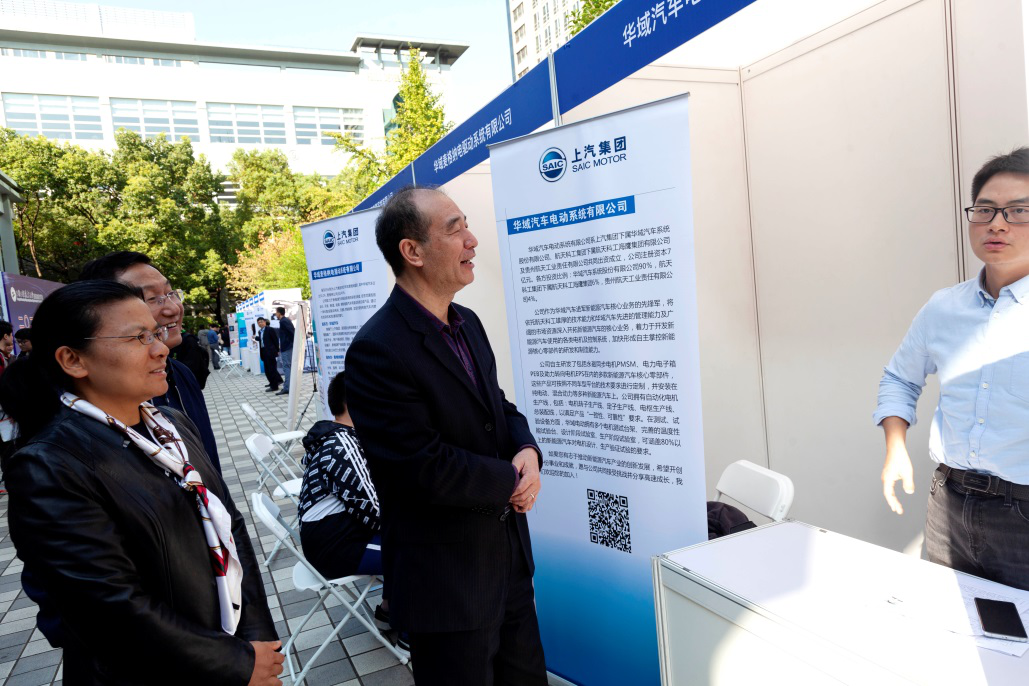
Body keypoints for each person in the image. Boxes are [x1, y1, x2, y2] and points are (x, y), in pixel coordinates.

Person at [0, 280, 283, 684]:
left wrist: (257, 640)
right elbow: (109, 605)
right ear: (73, 360)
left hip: (231, 646)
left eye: (155, 333)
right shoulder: (48, 466)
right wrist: (236, 663)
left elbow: (230, 527)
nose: (160, 348)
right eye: (138, 337)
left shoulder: (172, 427)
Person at [345, 186, 546, 685]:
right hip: (447, 584)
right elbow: (420, 465)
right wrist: (509, 481)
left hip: (508, 565)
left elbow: (497, 407)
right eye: (455, 229)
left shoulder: (467, 323)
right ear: (412, 251)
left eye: (467, 226)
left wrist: (526, 450)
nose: (472, 240)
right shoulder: (377, 349)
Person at [876, 147, 1029, 591]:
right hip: (948, 501)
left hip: (1023, 513)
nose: (997, 224)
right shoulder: (943, 307)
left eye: (1018, 211)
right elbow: (900, 378)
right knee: (947, 619)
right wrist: (895, 446)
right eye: (985, 210)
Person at [79, 251, 221, 472]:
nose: (174, 308)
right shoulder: (95, 403)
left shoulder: (181, 373)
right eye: (152, 298)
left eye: (171, 293)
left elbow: (207, 456)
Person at [256, 317, 282, 392]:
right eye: (259, 322)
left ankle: (274, 386)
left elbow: (275, 340)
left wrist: (277, 350)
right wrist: (257, 339)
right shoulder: (260, 331)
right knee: (267, 370)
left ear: (265, 322)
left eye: (261, 322)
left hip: (270, 352)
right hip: (263, 352)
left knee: (272, 369)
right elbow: (263, 340)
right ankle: (273, 382)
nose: (260, 323)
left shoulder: (270, 329)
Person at [274, 307, 294, 396]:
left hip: (287, 347)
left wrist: (290, 344)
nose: (275, 314)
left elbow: (292, 333)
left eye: (276, 312)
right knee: (288, 366)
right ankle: (289, 386)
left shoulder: (284, 321)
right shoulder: (285, 320)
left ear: (279, 313)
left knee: (287, 367)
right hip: (287, 346)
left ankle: (287, 388)